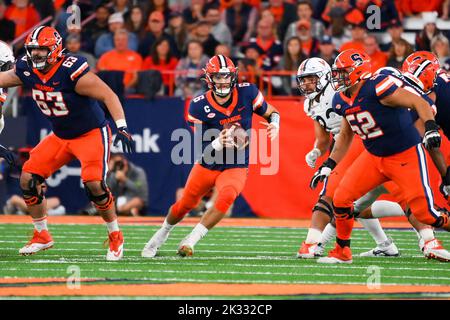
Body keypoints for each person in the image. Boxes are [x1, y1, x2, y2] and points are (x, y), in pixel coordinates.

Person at [0, 26, 135, 260]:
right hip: (61, 136)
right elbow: (5, 78)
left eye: (41, 50)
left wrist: (121, 126)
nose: (36, 55)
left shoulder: (71, 72)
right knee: (28, 178)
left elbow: (108, 95)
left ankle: (115, 235)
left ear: (54, 49)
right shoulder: (27, 70)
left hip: (90, 134)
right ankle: (42, 235)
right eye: (33, 50)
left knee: (94, 184)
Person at [311, 49, 449, 264]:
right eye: (337, 73)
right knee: (341, 199)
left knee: (427, 214)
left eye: (343, 72)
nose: (338, 78)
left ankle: (431, 238)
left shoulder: (378, 87)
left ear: (358, 72)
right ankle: (342, 252)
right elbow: (346, 134)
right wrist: (329, 164)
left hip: (404, 155)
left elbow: (419, 103)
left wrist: (430, 127)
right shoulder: (341, 97)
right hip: (374, 157)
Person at [141, 55, 280, 258]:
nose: (223, 81)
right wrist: (216, 142)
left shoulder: (247, 92)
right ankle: (161, 234)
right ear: (209, 79)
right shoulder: (198, 105)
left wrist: (275, 123)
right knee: (184, 205)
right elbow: (198, 148)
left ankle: (191, 240)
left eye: (226, 76)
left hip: (236, 162)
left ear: (233, 76)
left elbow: (271, 112)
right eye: (218, 77)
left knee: (227, 196)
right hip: (208, 161)